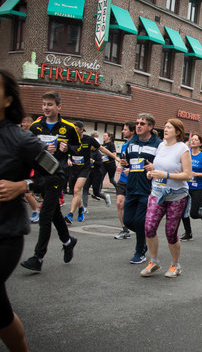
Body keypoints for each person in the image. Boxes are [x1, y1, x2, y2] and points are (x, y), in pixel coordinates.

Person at [0, 70, 63, 351]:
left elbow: (57, 174)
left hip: (4, 235)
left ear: (7, 100)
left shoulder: (22, 140)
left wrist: (23, 185)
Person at [21, 91, 80, 272]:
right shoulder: (36, 127)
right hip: (41, 175)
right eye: (44, 104)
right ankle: (68, 241)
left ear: (59, 107)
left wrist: (68, 147)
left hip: (57, 175)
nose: (46, 108)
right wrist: (43, 148)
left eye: (50, 104)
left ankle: (38, 257)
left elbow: (79, 148)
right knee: (53, 212)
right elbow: (28, 148)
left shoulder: (68, 128)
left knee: (45, 216)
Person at [141, 119, 192, 277]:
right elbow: (159, 167)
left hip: (177, 195)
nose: (165, 129)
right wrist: (152, 172)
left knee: (170, 232)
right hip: (157, 192)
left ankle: (175, 265)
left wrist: (166, 175)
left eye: (169, 127)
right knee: (149, 227)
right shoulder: (161, 145)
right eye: (165, 127)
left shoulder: (182, 148)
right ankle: (154, 261)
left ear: (177, 132)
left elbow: (188, 175)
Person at [121, 113, 162, 264]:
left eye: (142, 124)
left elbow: (163, 164)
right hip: (131, 187)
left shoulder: (158, 144)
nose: (138, 126)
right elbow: (132, 163)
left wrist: (154, 166)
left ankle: (140, 251)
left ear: (150, 127)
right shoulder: (131, 143)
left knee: (139, 221)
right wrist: (126, 165)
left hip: (147, 189)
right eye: (137, 123)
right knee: (128, 220)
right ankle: (146, 237)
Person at [64, 121, 117, 224]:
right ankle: (81, 209)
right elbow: (65, 151)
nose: (73, 131)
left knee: (77, 190)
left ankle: (70, 215)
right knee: (76, 192)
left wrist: (115, 157)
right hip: (74, 168)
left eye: (75, 129)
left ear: (81, 129)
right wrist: (68, 159)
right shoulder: (69, 139)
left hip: (85, 168)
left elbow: (101, 148)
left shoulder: (89, 139)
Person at [180, 133, 202, 241]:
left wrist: (197, 174)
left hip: (198, 187)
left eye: (195, 140)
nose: (192, 141)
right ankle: (188, 233)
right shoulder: (186, 154)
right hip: (185, 187)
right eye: (192, 139)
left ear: (200, 143)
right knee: (183, 212)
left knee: (193, 213)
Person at [114, 121, 135, 239]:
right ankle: (124, 229)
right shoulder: (123, 146)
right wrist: (121, 165)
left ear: (132, 131)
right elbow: (124, 161)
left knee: (132, 206)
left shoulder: (137, 145)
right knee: (119, 203)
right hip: (123, 179)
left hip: (134, 179)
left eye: (125, 129)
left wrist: (131, 170)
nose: (122, 131)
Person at [81, 131, 111, 214]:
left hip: (96, 173)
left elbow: (100, 163)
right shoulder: (88, 151)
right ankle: (85, 207)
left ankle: (105, 197)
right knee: (85, 189)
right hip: (88, 173)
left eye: (92, 145)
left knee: (96, 193)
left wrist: (93, 161)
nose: (91, 147)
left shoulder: (97, 153)